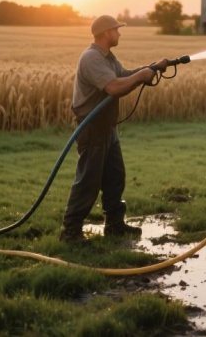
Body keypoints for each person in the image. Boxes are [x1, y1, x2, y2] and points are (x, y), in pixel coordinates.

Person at [59, 15, 168, 243]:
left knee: (115, 177)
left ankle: (115, 225)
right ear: (106, 32)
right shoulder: (91, 58)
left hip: (107, 128)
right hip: (92, 127)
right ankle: (70, 231)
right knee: (89, 180)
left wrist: (151, 68)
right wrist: (141, 76)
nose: (120, 33)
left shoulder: (108, 57)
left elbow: (124, 76)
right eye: (117, 30)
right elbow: (114, 87)